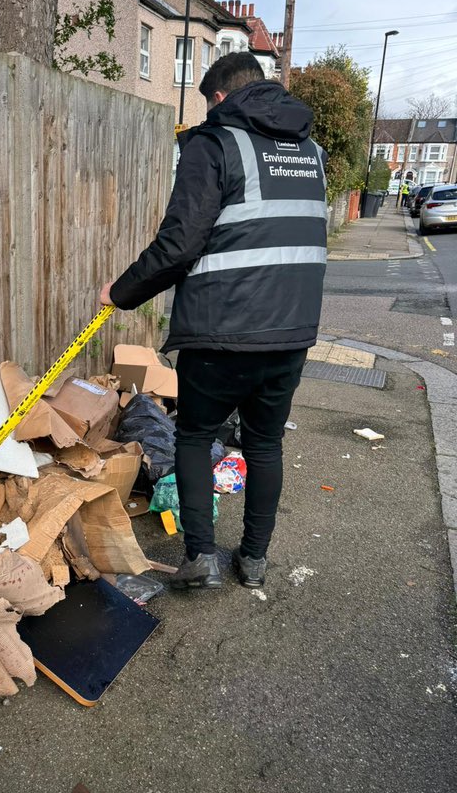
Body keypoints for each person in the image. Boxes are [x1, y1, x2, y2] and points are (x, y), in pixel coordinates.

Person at [100, 52, 327, 591]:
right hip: (290, 332)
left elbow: (179, 245)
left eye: (209, 104)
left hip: (222, 331)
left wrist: (121, 293)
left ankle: (201, 555)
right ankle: (253, 561)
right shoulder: (310, 153)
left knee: (196, 436)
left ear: (220, 97)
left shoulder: (217, 143)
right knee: (264, 444)